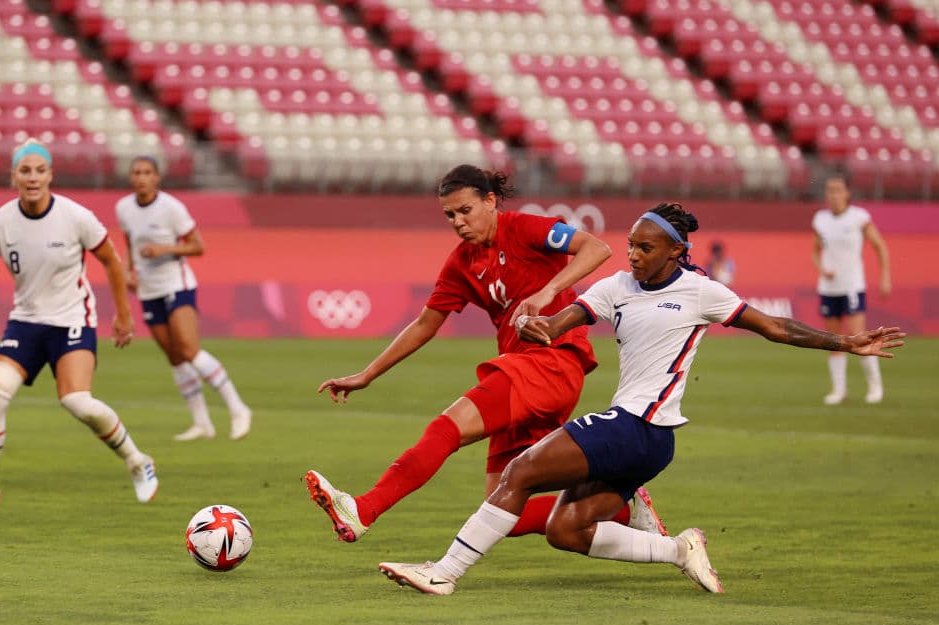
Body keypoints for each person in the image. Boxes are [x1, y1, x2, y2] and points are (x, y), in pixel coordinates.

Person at [377, 202, 906, 596]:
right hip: (636, 434)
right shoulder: (616, 286)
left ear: (677, 251)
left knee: (519, 473)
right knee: (565, 530)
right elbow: (565, 321)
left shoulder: (702, 291)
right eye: (631, 245)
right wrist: (541, 326)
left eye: (646, 247)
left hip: (643, 428)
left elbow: (774, 327)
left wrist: (845, 341)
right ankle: (681, 548)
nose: (634, 254)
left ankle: (444, 573)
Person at [305, 164, 670, 545]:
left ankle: (364, 509)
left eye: (466, 210)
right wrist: (367, 374)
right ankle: (627, 509)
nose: (458, 222)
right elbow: (424, 325)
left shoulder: (524, 228)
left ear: (490, 201)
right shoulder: (462, 263)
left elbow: (597, 248)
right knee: (501, 513)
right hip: (525, 372)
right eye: (450, 215)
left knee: (446, 429)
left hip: (551, 362)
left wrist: (548, 292)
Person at [0, 138, 159, 505]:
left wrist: (123, 314)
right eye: (25, 170)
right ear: (13, 175)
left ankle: (137, 461)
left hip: (72, 319)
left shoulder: (75, 216)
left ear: (51, 175)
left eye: (40, 170)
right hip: (25, 322)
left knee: (78, 402)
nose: (32, 178)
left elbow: (111, 261)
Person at [115, 155, 252, 441]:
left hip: (177, 285)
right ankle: (202, 423)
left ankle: (238, 408)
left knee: (189, 349)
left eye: (147, 172)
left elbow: (197, 246)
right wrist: (129, 272)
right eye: (136, 172)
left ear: (157, 177)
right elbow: (129, 243)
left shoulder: (171, 208)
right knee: (175, 357)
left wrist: (165, 249)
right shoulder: (124, 208)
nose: (141, 177)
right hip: (149, 289)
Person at [812, 173, 892, 405]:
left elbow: (879, 246)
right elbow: (815, 251)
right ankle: (839, 389)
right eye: (830, 190)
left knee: (859, 337)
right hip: (829, 288)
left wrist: (885, 275)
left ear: (847, 193)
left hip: (852, 286)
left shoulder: (859, 217)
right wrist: (821, 268)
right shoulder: (820, 219)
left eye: (838, 190)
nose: (833, 195)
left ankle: (875, 386)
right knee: (834, 340)